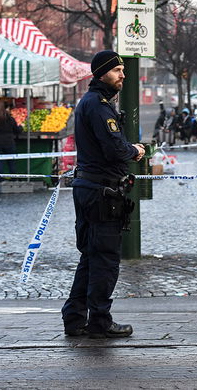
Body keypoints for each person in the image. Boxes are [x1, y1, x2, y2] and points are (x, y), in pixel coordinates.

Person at [61, 50, 146, 339]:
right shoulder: (98, 106)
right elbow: (114, 149)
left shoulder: (94, 103)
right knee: (105, 258)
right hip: (102, 191)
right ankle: (100, 319)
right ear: (101, 74)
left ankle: (74, 318)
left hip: (90, 188)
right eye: (117, 70)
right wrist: (134, 150)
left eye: (123, 69)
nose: (123, 75)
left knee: (90, 255)